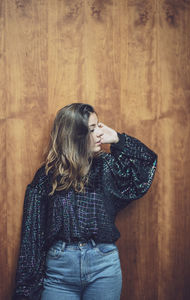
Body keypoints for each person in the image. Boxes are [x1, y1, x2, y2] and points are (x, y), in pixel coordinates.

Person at [13, 103, 157, 300]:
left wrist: (117, 138)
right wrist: (26, 291)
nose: (99, 133)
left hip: (103, 266)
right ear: (75, 136)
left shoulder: (107, 167)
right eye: (92, 129)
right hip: (59, 270)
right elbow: (32, 237)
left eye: (98, 125)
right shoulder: (47, 177)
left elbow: (146, 162)